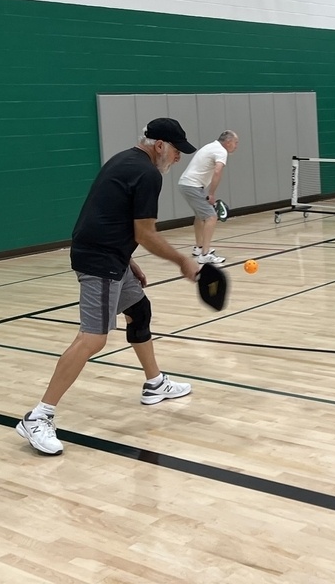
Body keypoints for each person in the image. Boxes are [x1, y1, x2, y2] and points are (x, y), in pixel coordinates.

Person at [15, 117, 202, 456]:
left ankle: (154, 383)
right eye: (176, 151)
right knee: (93, 338)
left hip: (110, 255)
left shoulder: (123, 159)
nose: (178, 158)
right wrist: (183, 261)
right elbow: (145, 233)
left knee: (138, 309)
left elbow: (102, 215)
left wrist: (127, 259)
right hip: (99, 261)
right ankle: (38, 416)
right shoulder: (147, 174)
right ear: (160, 145)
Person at [178, 130, 240, 265]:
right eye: (236, 143)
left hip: (186, 184)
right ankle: (205, 255)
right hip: (192, 186)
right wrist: (211, 193)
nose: (236, 146)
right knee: (211, 217)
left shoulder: (211, 146)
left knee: (200, 216)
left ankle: (199, 248)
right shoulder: (221, 151)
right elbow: (218, 171)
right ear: (228, 142)